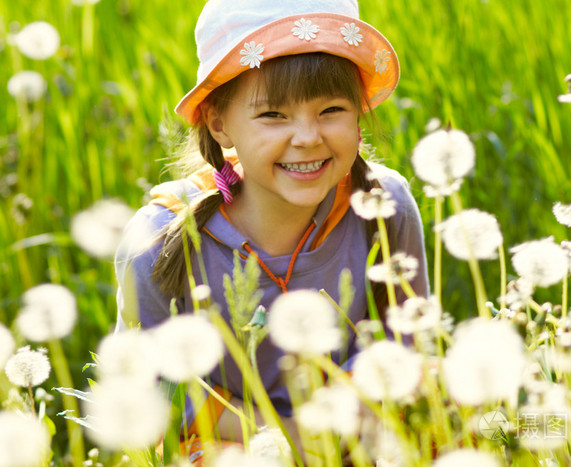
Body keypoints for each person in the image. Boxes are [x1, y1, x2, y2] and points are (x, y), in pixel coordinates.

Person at [115, 0, 428, 461]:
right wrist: (282, 434)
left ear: (359, 112)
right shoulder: (160, 239)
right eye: (273, 115)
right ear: (220, 124)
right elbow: (149, 386)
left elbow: (409, 341)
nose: (307, 137)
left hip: (360, 425)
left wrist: (348, 415)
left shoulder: (382, 207)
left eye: (331, 109)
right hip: (234, 443)